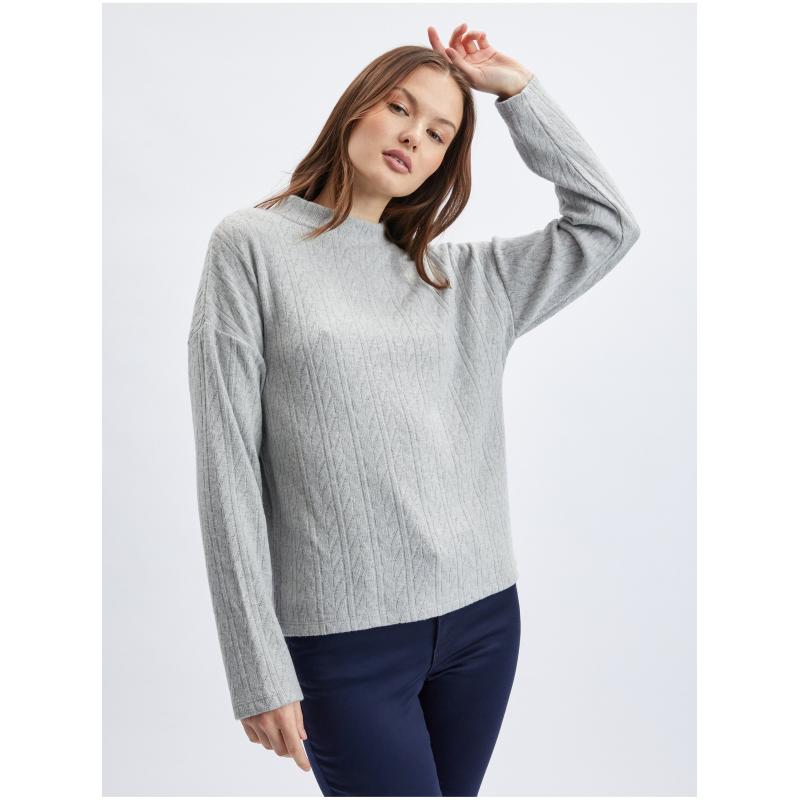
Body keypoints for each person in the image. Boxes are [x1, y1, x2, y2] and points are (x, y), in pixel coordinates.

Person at [187, 22, 640, 797]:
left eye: (439, 133)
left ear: (444, 163)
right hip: (343, 643)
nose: (413, 137)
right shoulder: (251, 247)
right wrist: (254, 665)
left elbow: (608, 225)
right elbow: (226, 462)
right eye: (401, 108)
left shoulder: (466, 281)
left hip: (482, 624)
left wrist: (519, 93)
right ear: (357, 107)